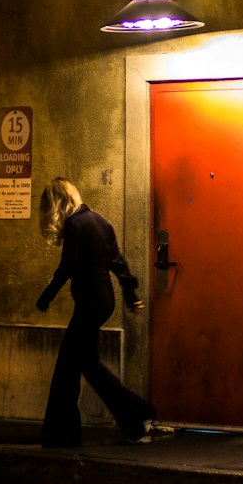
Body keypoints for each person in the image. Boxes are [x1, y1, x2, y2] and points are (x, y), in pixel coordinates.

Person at [35, 178, 156, 448]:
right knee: (81, 364)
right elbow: (117, 261)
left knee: (71, 364)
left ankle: (132, 417)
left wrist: (47, 296)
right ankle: (69, 431)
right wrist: (130, 294)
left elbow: (67, 267)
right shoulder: (99, 221)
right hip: (103, 299)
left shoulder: (76, 225)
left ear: (56, 202)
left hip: (90, 301)